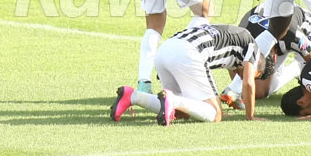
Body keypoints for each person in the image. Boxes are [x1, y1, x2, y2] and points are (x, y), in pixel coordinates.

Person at [112, 23, 274, 125]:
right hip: (188, 52)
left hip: (166, 49)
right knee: (216, 114)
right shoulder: (253, 46)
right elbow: (248, 83)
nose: (242, 75)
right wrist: (250, 116)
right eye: (254, 74)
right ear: (258, 62)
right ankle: (173, 100)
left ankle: (133, 96)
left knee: (181, 111)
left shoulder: (232, 39)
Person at [219, 4, 311, 110]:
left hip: (302, 28)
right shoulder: (241, 40)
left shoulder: (294, 36)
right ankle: (294, 70)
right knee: (258, 92)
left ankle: (298, 67)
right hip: (268, 30)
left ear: (274, 57)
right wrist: (239, 83)